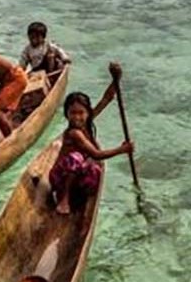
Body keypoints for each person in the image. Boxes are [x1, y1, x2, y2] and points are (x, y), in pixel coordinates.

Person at [49, 67, 131, 216]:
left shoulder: (87, 121)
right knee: (77, 158)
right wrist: (122, 149)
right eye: (72, 113)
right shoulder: (74, 133)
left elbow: (106, 99)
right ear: (67, 114)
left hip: (76, 175)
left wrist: (115, 80)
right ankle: (63, 199)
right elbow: (97, 154)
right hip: (59, 178)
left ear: (87, 113)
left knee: (94, 171)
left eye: (81, 113)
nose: (77, 117)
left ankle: (77, 196)